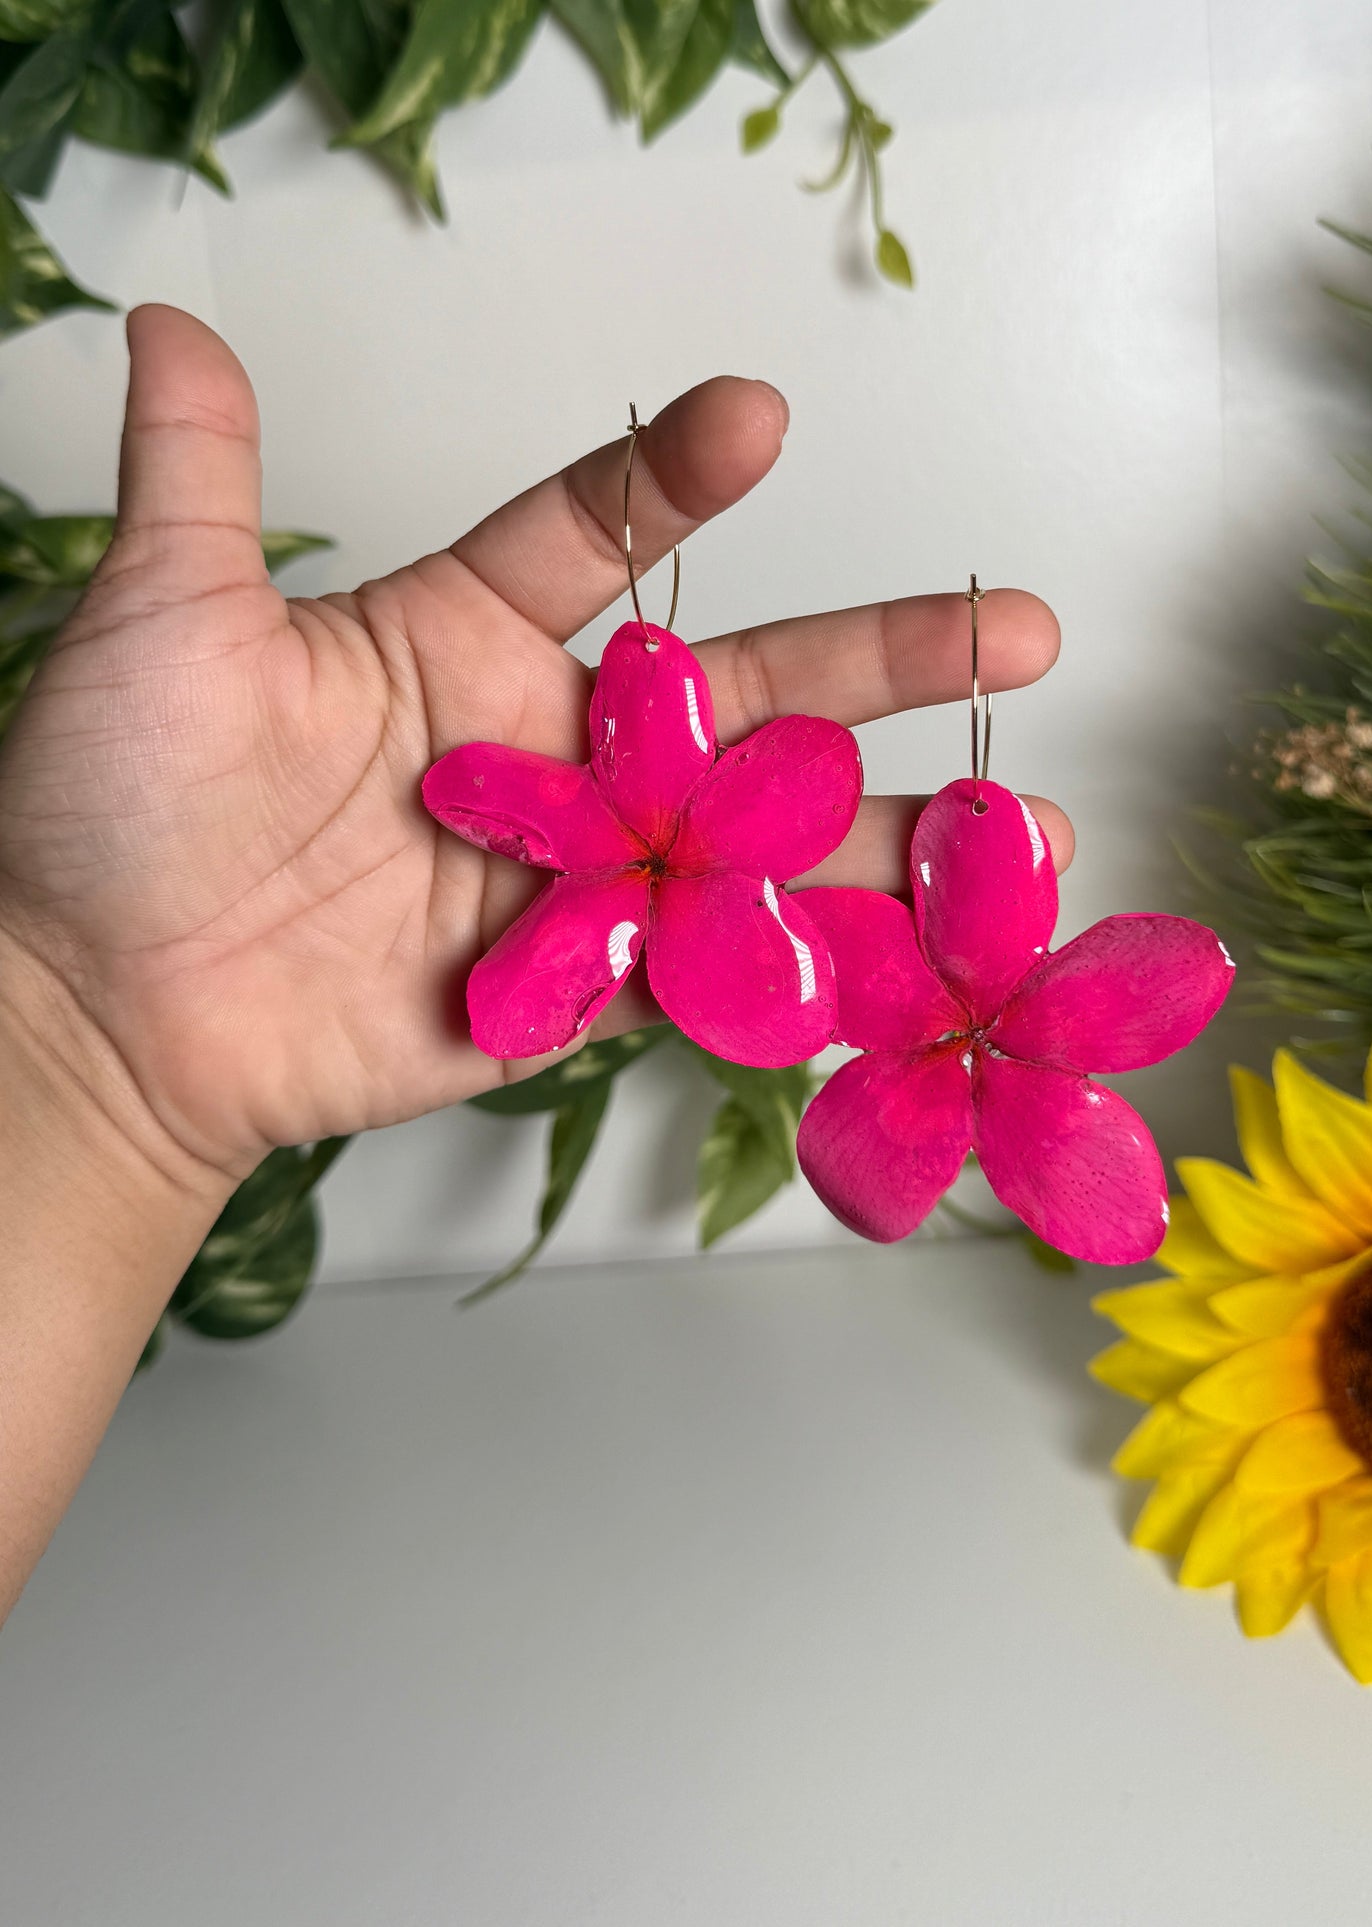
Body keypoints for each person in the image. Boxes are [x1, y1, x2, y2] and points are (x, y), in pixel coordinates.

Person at [0, 305, 1065, 1625]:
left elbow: (796, 796)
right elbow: (515, 798)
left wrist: (84, 1072)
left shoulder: (779, 874)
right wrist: (70, 1042)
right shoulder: (622, 788)